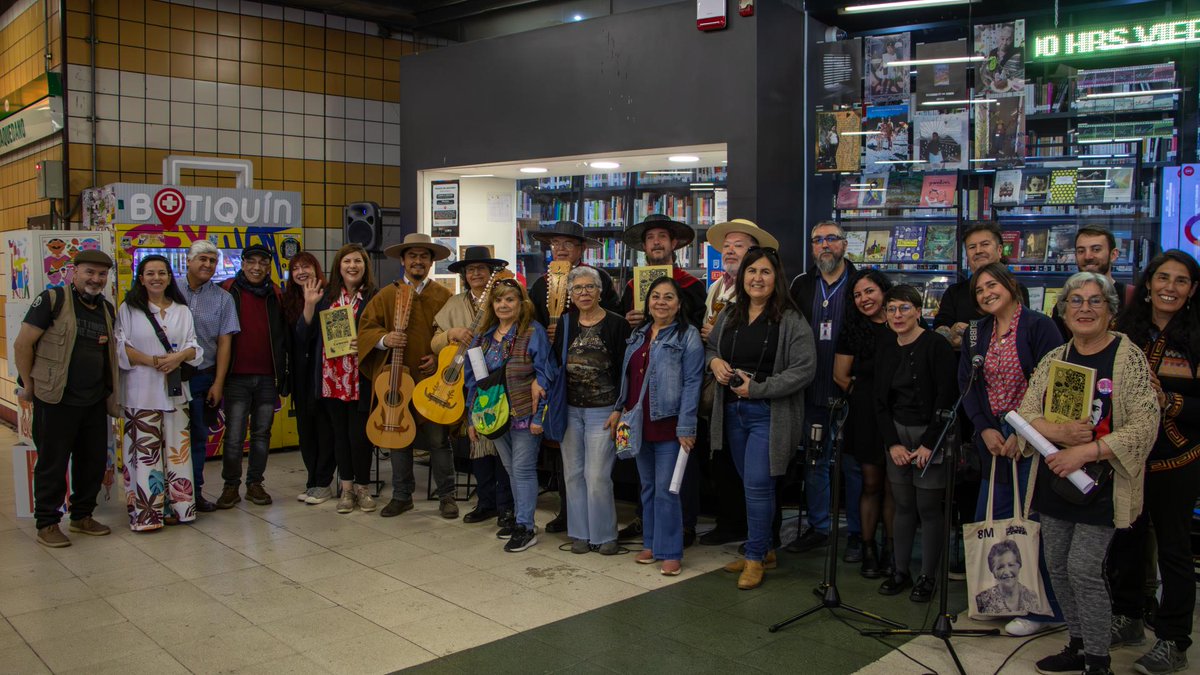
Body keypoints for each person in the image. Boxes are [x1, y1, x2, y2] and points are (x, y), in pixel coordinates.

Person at [1012, 272, 1159, 675]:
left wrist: (1086, 451)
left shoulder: (1128, 359)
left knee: (1083, 569)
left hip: (1103, 483)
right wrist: (1058, 433)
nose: (1084, 309)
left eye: (1095, 301)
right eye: (1075, 301)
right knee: (1057, 565)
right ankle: (1076, 644)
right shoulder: (1055, 358)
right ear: (1063, 312)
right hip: (1056, 477)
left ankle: (1098, 660)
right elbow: (1025, 414)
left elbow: (1146, 425)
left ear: (1111, 310)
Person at [958, 262, 1065, 635]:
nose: (986, 293)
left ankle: (1045, 611)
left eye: (993, 285)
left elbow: (1054, 383)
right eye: (979, 290)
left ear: (1010, 285)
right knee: (996, 515)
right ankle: (1001, 599)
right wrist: (984, 428)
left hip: (1033, 436)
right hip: (993, 437)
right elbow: (967, 384)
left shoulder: (1039, 326)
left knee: (1033, 522)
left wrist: (1026, 434)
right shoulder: (977, 332)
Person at [1110, 251, 1200, 675]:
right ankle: (1127, 618)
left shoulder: (1198, 336)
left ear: (1193, 290)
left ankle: (1173, 640)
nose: (1170, 287)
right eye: (1162, 278)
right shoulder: (1125, 332)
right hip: (1128, 456)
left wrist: (1171, 402)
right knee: (1125, 540)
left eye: (1181, 281)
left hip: (1178, 460)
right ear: (1147, 284)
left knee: (1175, 552)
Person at [707, 247, 815, 589]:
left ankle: (754, 557)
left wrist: (758, 389)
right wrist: (715, 363)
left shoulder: (791, 319)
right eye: (752, 271)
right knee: (754, 486)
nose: (757, 278)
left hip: (769, 413)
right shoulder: (732, 313)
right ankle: (764, 547)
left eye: (765, 272)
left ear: (776, 277)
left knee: (757, 486)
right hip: (732, 411)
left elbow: (804, 370)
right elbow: (710, 347)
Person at [14, 249, 119, 547]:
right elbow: (23, 344)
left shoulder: (107, 310)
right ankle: (47, 523)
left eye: (101, 274)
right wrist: (30, 385)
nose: (95, 279)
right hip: (55, 398)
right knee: (52, 462)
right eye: (89, 272)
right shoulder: (52, 300)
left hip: (94, 400)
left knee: (93, 462)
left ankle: (81, 516)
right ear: (74, 272)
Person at [618, 214, 706, 543]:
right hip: (641, 396)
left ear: (674, 244)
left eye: (662, 237)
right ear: (643, 247)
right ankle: (647, 523)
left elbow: (697, 331)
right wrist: (628, 320)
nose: (656, 243)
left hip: (674, 389)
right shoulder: (630, 287)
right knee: (647, 474)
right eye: (650, 238)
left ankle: (684, 525)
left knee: (681, 465)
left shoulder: (691, 285)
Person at [529, 221, 619, 535]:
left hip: (599, 392)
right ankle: (571, 519)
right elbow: (535, 327)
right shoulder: (541, 284)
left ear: (581, 248)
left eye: (569, 243)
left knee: (595, 471)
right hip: (561, 384)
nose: (562, 248)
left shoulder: (599, 278)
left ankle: (601, 528)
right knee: (568, 461)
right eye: (556, 243)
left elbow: (611, 319)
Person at [359, 233, 456, 519]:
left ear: (431, 261)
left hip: (432, 381)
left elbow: (454, 335)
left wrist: (439, 358)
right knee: (397, 436)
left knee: (438, 439)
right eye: (412, 256)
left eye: (423, 256)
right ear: (402, 260)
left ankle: (447, 495)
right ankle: (402, 496)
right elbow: (366, 329)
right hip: (396, 378)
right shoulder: (387, 295)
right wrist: (385, 339)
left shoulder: (443, 296)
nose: (418, 261)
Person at [612, 276, 703, 576]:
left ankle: (670, 550)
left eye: (668, 297)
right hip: (637, 423)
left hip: (670, 424)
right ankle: (650, 543)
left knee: (667, 490)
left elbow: (693, 383)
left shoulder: (687, 336)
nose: (661, 302)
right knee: (648, 487)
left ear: (679, 304)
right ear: (647, 303)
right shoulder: (637, 334)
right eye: (655, 297)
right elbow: (626, 376)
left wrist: (687, 426)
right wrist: (617, 410)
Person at [873, 284, 957, 601]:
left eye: (904, 308)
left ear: (919, 312)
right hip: (898, 433)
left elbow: (945, 398)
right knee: (904, 505)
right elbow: (879, 402)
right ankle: (900, 570)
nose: (897, 315)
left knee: (928, 507)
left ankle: (927, 577)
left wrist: (929, 444)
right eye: (891, 309)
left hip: (930, 435)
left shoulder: (937, 346)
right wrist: (892, 443)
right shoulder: (885, 347)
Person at [698, 219, 778, 547]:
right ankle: (732, 523)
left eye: (739, 246)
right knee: (726, 461)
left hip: (755, 395)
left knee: (757, 472)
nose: (730, 251)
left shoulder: (761, 295)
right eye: (727, 246)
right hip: (721, 389)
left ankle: (762, 537)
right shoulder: (717, 286)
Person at [788, 221, 862, 558]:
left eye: (831, 238)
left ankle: (859, 533)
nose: (825, 245)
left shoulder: (863, 284)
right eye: (817, 240)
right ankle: (820, 527)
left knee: (853, 464)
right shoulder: (802, 285)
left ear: (845, 244)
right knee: (816, 460)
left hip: (852, 390)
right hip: (811, 389)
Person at [465, 278, 555, 552]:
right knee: (511, 469)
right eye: (498, 300)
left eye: (510, 299)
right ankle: (520, 519)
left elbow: (545, 374)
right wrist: (472, 418)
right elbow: (475, 381)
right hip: (494, 417)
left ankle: (526, 526)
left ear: (521, 303)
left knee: (524, 469)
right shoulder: (483, 338)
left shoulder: (532, 332)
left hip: (524, 413)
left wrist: (539, 416)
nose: (503, 305)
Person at [115, 255, 203, 531]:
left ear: (169, 277)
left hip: (176, 393)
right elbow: (121, 347)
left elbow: (194, 347)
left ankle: (179, 508)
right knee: (145, 455)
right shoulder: (129, 309)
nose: (156, 278)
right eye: (150, 273)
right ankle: (147, 514)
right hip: (140, 393)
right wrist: (153, 361)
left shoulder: (182, 310)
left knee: (178, 452)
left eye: (162, 273)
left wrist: (178, 358)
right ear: (141, 278)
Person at [433, 247, 514, 532]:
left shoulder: (502, 299)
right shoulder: (454, 303)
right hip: (469, 379)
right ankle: (486, 502)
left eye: (482, 268)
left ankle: (506, 507)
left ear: (492, 273)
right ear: (464, 276)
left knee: (502, 444)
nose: (476, 273)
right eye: (471, 270)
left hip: (499, 377)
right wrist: (450, 335)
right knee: (478, 442)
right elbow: (434, 342)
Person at [554, 265, 630, 555]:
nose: (583, 293)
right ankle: (580, 533)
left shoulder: (617, 324)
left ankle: (605, 534)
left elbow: (626, 370)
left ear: (600, 291)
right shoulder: (565, 323)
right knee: (573, 474)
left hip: (604, 410)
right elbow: (555, 363)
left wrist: (620, 408)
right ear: (570, 294)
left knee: (597, 475)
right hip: (569, 409)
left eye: (589, 287)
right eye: (577, 288)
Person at [299, 244, 378, 514]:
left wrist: (366, 342)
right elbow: (305, 336)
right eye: (347, 261)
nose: (352, 266)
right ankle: (346, 490)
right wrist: (309, 306)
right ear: (338, 265)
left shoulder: (374, 297)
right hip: (332, 377)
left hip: (361, 377)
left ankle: (363, 488)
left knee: (360, 436)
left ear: (365, 266)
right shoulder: (325, 295)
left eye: (358, 261)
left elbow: (382, 332)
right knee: (339, 436)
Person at [216, 243, 290, 509]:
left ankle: (255, 484)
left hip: (268, 377)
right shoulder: (227, 290)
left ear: (268, 266)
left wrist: (284, 373)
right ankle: (230, 486)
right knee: (234, 435)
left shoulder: (276, 294)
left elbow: (284, 335)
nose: (257, 267)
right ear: (243, 264)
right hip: (235, 376)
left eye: (262, 262)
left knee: (262, 434)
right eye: (252, 262)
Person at [834, 269, 895, 578]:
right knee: (870, 483)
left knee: (893, 486)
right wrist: (866, 397)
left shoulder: (902, 322)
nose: (863, 299)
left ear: (884, 291)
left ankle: (891, 550)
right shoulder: (853, 329)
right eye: (857, 295)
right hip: (866, 415)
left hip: (900, 417)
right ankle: (868, 547)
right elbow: (840, 376)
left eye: (869, 291)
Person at [178, 240, 240, 512]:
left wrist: (218, 382)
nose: (207, 265)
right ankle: (166, 495)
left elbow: (225, 342)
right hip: (166, 376)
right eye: (202, 259)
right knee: (167, 436)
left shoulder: (223, 299)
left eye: (212, 261)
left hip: (203, 377)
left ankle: (193, 493)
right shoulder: (169, 289)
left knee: (198, 438)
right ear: (188, 261)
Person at [282, 251, 335, 504]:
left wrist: (311, 304)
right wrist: (306, 303)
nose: (301, 272)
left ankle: (323, 482)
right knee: (305, 432)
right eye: (296, 269)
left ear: (317, 269)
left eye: (306, 267)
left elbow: (311, 335)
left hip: (324, 375)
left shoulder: (329, 295)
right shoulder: (289, 298)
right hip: (300, 377)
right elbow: (296, 338)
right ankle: (312, 480)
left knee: (324, 429)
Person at [1051, 227, 1131, 338]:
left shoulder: (1132, 298)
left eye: (1096, 249)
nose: (1088, 256)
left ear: (1113, 255)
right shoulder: (1066, 303)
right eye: (1081, 251)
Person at [975, 540, 1041, 614]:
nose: (1006, 572)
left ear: (1019, 566)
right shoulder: (982, 599)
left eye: (1011, 565)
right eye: (1000, 567)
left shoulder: (1032, 597)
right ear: (993, 572)